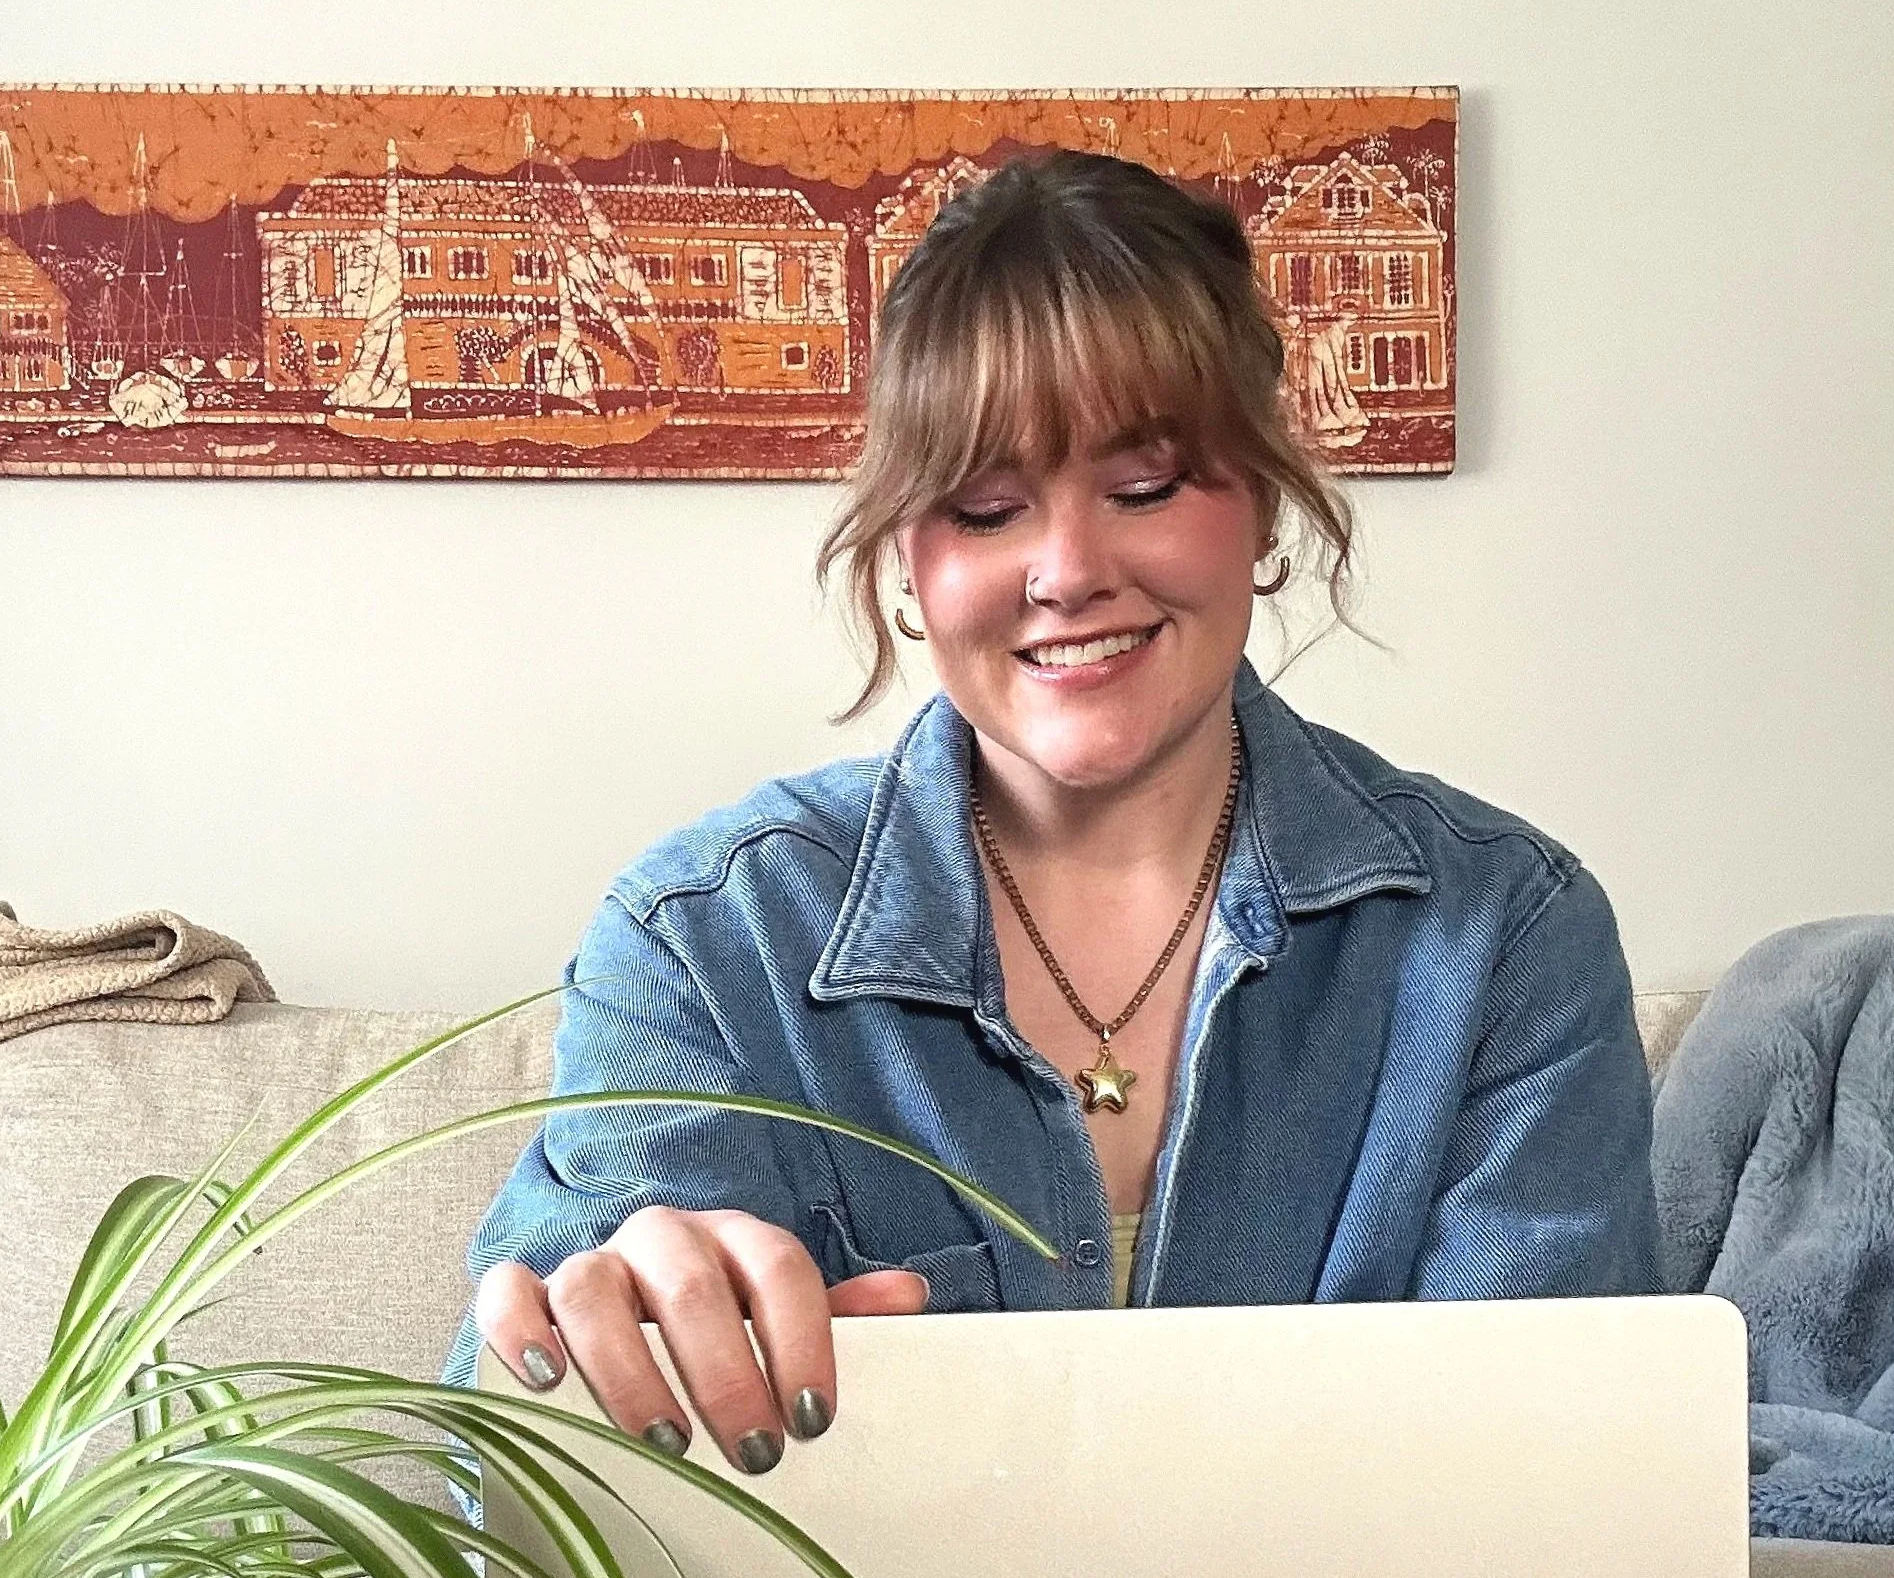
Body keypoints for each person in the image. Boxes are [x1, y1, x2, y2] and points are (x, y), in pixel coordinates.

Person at [459, 151, 1660, 1468]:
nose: (1069, 572)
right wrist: (586, 1353)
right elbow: (512, 1523)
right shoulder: (705, 940)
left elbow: (1552, 1494)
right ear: (909, 561)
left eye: (1144, 487)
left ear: (1257, 506)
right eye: (984, 507)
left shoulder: (1505, 936)